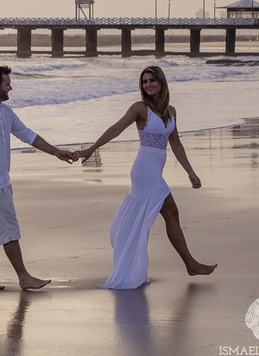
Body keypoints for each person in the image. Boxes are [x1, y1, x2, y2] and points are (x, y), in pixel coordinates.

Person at [72, 65, 217, 288]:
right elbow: (115, 129)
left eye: (152, 81)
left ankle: (180, 264)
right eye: (144, 82)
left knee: (163, 216)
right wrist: (92, 149)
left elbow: (175, 143)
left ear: (161, 82)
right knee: (171, 212)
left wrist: (191, 172)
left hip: (154, 169)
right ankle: (190, 264)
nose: (148, 85)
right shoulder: (140, 108)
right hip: (145, 169)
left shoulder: (171, 111)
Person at [0, 65, 74, 290]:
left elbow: (27, 135)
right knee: (9, 231)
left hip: (2, 181)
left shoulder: (5, 112)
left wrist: (55, 152)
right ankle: (23, 277)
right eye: (6, 84)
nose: (10, 87)